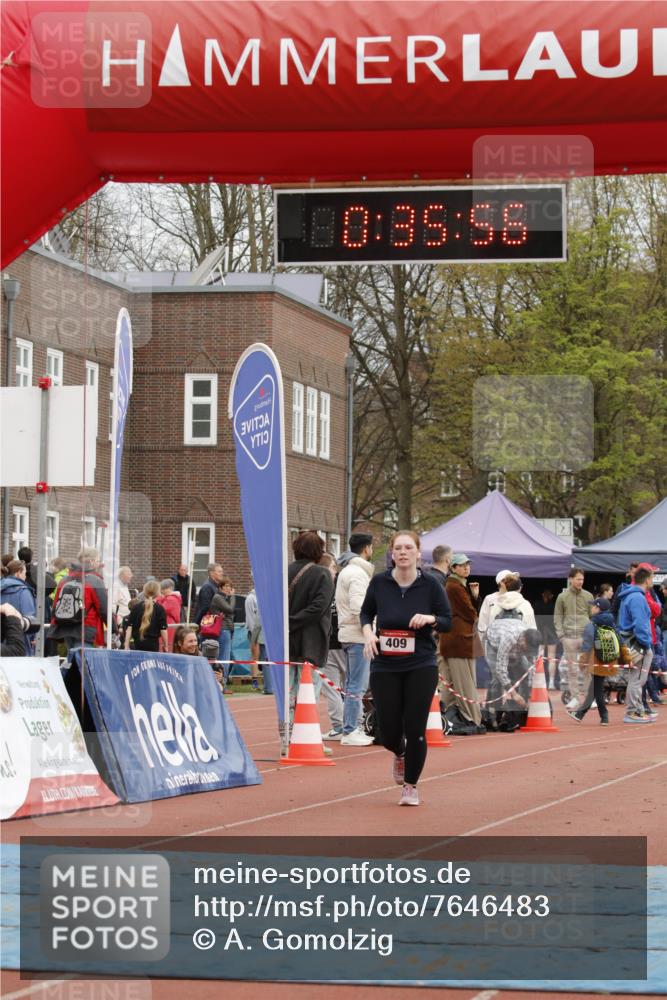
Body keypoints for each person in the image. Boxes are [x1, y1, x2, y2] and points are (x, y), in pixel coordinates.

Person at [361, 530, 451, 807]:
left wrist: (430, 618)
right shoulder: (379, 582)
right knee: (388, 730)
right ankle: (398, 752)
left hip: (420, 663)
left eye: (407, 548)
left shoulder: (431, 585)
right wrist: (368, 634)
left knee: (416, 728)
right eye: (397, 548)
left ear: (417, 553)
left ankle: (410, 786)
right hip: (385, 663)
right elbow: (366, 613)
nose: (402, 552)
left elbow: (447, 621)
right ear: (391, 553)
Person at [288, 531, 335, 748]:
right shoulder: (322, 574)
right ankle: (307, 736)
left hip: (287, 640)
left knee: (289, 691)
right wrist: (297, 620)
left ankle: (288, 734)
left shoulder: (285, 571)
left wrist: (287, 622)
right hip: (312, 641)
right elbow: (319, 607)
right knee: (309, 693)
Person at [334, 532, 376, 747]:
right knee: (356, 685)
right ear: (366, 548)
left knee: (353, 683)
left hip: (351, 632)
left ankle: (351, 727)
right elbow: (359, 606)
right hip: (358, 634)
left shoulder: (347, 571)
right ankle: (351, 729)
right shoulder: (358, 574)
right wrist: (370, 628)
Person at [440, 553, 483, 731]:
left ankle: (446, 717)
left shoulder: (456, 585)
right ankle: (472, 718)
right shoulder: (455, 586)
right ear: (453, 568)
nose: (466, 567)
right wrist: (474, 602)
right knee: (465, 683)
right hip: (459, 641)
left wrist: (473, 596)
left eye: (467, 564)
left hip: (453, 640)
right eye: (462, 565)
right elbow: (471, 613)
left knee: (449, 684)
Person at [567, 597, 619, 726]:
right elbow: (619, 639)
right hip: (609, 658)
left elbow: (587, 644)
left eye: (593, 606)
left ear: (598, 608)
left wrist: (582, 661)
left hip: (596, 659)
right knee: (595, 687)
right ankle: (580, 714)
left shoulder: (592, 624)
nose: (591, 608)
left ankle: (604, 716)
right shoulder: (612, 622)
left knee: (597, 689)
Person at [484, 620, 542, 731]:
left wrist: (530, 694)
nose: (529, 651)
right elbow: (501, 670)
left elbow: (531, 669)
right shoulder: (509, 638)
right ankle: (493, 716)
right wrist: (514, 694)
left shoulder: (532, 643)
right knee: (497, 679)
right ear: (524, 639)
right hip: (493, 645)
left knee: (525, 669)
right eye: (528, 648)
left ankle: (519, 710)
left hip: (515, 645)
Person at [47, 548, 108, 652]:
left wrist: (55, 625)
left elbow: (56, 604)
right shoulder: (94, 580)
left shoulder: (64, 579)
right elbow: (103, 608)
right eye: (98, 561)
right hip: (86, 628)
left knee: (73, 661)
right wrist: (113, 626)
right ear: (92, 562)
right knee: (84, 663)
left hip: (65, 626)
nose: (99, 564)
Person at [616, 567, 656, 724]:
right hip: (638, 643)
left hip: (632, 642)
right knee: (638, 679)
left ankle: (636, 709)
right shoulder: (638, 598)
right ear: (646, 580)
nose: (652, 581)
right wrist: (646, 645)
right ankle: (633, 711)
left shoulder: (630, 596)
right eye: (652, 578)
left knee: (636, 678)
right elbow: (640, 624)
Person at [554, 567, 593, 711]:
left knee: (587, 668)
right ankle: (575, 698)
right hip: (569, 637)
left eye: (582, 579)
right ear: (570, 579)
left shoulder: (588, 596)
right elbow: (558, 616)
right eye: (578, 579)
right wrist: (561, 635)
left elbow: (592, 616)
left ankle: (589, 698)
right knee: (572, 669)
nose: (580, 582)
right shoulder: (562, 597)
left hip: (585, 637)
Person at [320, 556, 345, 738]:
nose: (334, 571)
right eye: (332, 567)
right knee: (345, 687)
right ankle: (352, 724)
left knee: (333, 688)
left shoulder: (323, 589)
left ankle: (340, 726)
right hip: (344, 642)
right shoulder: (344, 587)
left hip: (334, 643)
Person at [0, 560, 37, 655]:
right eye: (24, 573)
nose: (25, 576)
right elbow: (30, 618)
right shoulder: (24, 591)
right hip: (19, 641)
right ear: (18, 573)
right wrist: (33, 637)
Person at [124, 580, 168, 652]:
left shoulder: (136, 607)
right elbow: (163, 629)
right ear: (158, 593)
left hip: (137, 644)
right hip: (153, 645)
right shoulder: (160, 609)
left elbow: (129, 628)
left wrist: (126, 645)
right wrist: (165, 646)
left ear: (144, 592)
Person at [477, 569, 513, 644]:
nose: (513, 583)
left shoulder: (516, 598)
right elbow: (482, 623)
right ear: (501, 582)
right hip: (491, 643)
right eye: (510, 580)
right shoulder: (489, 598)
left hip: (511, 643)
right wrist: (483, 642)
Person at [207, 577, 236, 673]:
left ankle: (221, 683)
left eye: (230, 586)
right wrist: (232, 596)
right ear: (220, 587)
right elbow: (230, 609)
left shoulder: (224, 598)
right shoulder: (218, 597)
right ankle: (222, 684)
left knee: (225, 657)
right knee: (224, 659)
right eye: (226, 586)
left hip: (227, 629)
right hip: (223, 630)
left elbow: (229, 612)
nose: (229, 588)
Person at [536, 588, 559, 690]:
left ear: (542, 595)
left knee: (539, 658)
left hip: (540, 632)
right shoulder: (554, 606)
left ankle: (538, 681)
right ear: (552, 596)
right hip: (551, 633)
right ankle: (551, 683)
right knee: (551, 658)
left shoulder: (537, 605)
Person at [156, 578, 182, 650]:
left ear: (170, 588)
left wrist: (158, 599)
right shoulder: (168, 598)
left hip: (169, 625)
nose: (162, 591)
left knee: (166, 645)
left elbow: (160, 609)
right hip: (167, 624)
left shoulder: (171, 599)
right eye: (162, 589)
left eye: (164, 589)